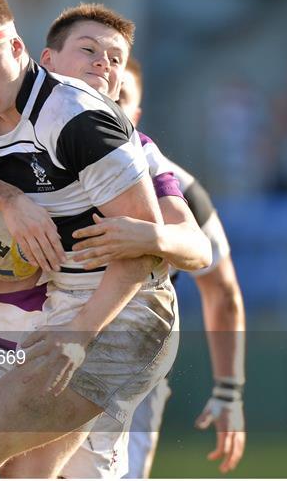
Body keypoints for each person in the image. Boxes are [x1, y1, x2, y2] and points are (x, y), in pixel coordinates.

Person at [0, 0, 210, 479]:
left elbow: (139, 253)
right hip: (60, 306)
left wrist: (78, 335)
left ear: (18, 48)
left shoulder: (76, 120)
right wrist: (6, 205)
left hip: (123, 316)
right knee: (19, 472)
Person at [92, 57, 246, 477]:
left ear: (136, 115)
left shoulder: (182, 192)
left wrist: (229, 391)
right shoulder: (36, 177)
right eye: (90, 87)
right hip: (45, 352)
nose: (104, 99)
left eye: (119, 95)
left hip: (134, 371)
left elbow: (222, 290)